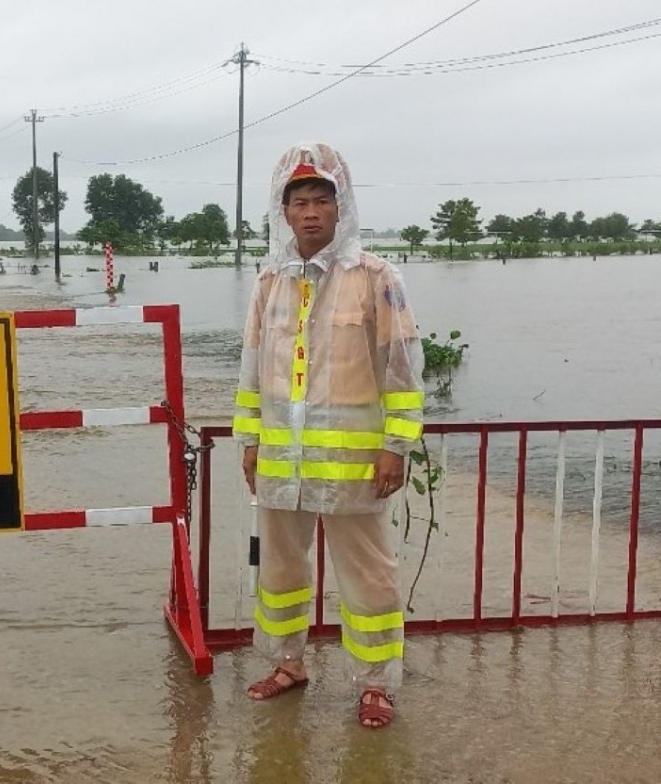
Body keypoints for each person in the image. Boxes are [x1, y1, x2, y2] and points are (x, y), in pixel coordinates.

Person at [233, 142, 424, 729]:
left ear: (341, 210)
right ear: (283, 212)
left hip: (354, 467)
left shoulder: (375, 278)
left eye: (322, 200)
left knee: (368, 576)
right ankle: (288, 664)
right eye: (300, 202)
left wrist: (395, 447)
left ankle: (375, 685)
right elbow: (250, 367)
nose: (311, 212)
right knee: (280, 572)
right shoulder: (271, 281)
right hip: (282, 465)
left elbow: (402, 366)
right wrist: (250, 440)